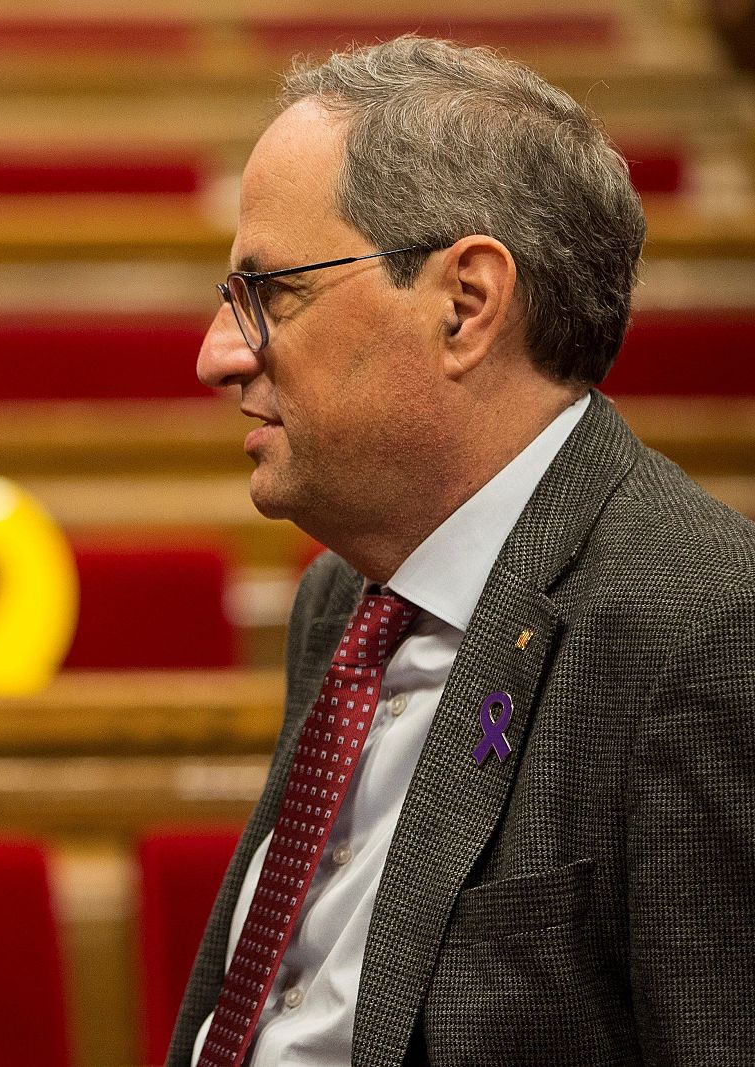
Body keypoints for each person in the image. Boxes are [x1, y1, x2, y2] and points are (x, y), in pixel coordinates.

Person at [170, 35, 755, 1067]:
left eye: (271, 291)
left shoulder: (708, 634)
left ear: (465, 303)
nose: (218, 352)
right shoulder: (340, 595)